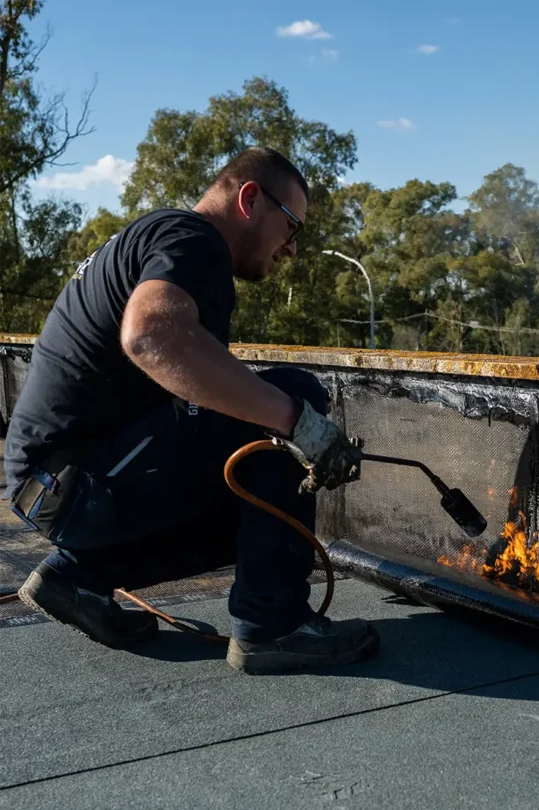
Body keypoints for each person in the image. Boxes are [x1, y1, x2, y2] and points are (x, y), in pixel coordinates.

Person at [2, 146, 379, 674]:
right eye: (291, 228)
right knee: (293, 393)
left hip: (52, 487)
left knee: (254, 504)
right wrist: (298, 423)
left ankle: (77, 578)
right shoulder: (196, 240)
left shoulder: (166, 239)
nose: (291, 249)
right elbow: (151, 333)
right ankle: (274, 626)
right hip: (74, 480)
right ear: (250, 199)